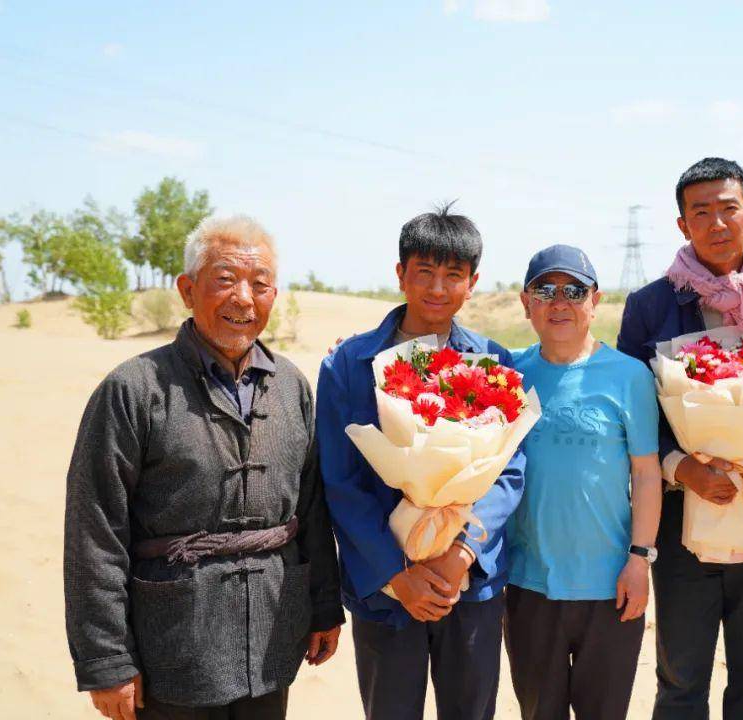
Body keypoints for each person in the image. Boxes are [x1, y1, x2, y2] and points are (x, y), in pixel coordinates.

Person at [64, 215, 344, 720]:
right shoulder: (134, 389)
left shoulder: (291, 387)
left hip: (271, 637)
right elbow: (95, 531)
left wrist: (324, 606)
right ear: (188, 290)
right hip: (172, 644)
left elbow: (312, 508)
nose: (243, 298)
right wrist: (106, 659)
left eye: (260, 285)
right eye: (225, 280)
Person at [616, 157, 743, 719]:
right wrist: (681, 466)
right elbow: (636, 413)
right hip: (682, 513)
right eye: (700, 212)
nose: (717, 223)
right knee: (681, 675)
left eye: (729, 209)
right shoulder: (650, 305)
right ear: (682, 225)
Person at [316, 204, 525, 720]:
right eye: (424, 272)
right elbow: (341, 481)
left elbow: (511, 470)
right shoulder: (349, 363)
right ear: (400, 274)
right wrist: (397, 574)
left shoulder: (495, 363)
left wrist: (461, 555)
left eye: (453, 275)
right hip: (387, 593)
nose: (437, 288)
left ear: (472, 283)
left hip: (467, 586)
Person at [504, 245, 662, 720]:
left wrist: (640, 560)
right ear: (525, 302)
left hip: (610, 584)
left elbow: (647, 472)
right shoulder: (509, 372)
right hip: (529, 583)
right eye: (545, 291)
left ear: (595, 300)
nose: (560, 303)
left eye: (573, 290)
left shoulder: (629, 376)